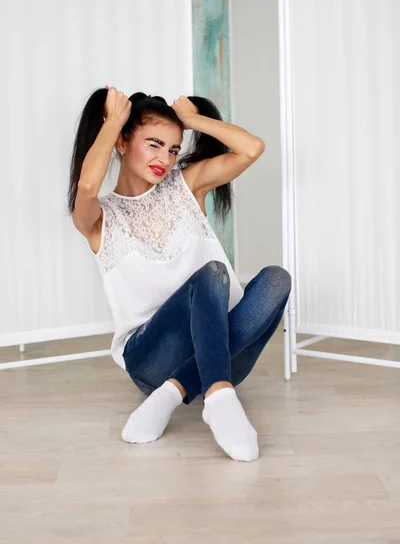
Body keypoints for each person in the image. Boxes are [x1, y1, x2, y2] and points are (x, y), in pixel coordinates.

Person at [68, 86, 291, 462]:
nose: (165, 159)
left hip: (219, 352)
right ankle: (217, 394)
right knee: (213, 274)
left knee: (276, 280)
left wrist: (192, 120)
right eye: (153, 144)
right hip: (150, 359)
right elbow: (87, 185)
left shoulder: (187, 186)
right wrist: (115, 122)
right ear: (122, 142)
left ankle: (176, 393)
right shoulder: (99, 219)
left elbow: (252, 148)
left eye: (173, 149)